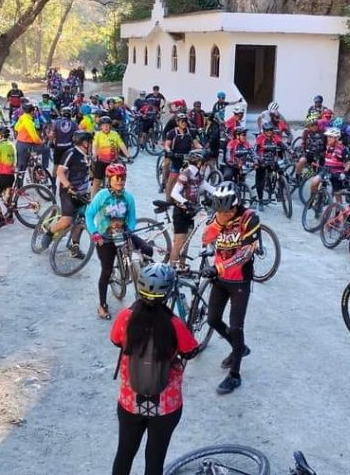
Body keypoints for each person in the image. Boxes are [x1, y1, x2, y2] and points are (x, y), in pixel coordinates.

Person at [110, 262, 198, 475]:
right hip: (165, 405)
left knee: (124, 453)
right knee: (155, 459)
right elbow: (190, 351)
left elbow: (115, 340)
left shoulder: (125, 317)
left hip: (130, 401)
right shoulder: (175, 324)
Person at [201, 181, 260, 394]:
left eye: (227, 211)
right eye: (220, 211)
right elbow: (205, 238)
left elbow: (246, 253)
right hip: (220, 280)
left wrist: (219, 267)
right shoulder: (218, 216)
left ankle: (235, 375)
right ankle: (239, 348)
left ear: (236, 205)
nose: (224, 214)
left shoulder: (250, 218)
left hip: (240, 281)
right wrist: (218, 222)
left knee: (236, 327)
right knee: (212, 319)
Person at [86, 163, 152, 320]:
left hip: (123, 234)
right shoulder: (102, 196)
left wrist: (129, 229)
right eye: (117, 178)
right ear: (109, 179)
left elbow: (132, 218)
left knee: (148, 250)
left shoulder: (128, 197)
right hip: (105, 238)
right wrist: (95, 233)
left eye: (123, 178)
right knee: (106, 271)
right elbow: (89, 215)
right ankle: (102, 305)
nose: (121, 181)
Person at [39, 131, 93, 253]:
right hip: (68, 192)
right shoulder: (71, 153)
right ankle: (49, 232)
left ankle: (75, 246)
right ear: (85, 143)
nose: (92, 144)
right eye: (90, 142)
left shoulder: (87, 155)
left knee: (80, 220)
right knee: (67, 221)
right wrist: (69, 186)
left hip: (82, 194)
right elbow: (60, 172)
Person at [168, 149, 214, 269]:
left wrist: (221, 192)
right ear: (198, 162)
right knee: (179, 243)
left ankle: (182, 266)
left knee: (186, 242)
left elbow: (206, 186)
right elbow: (174, 193)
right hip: (181, 212)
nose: (206, 166)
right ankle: (171, 269)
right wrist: (185, 202)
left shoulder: (198, 175)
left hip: (191, 212)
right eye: (204, 163)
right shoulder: (186, 174)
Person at [162, 112, 201, 200]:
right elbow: (167, 144)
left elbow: (196, 144)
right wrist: (169, 150)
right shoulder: (172, 133)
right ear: (177, 122)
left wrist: (202, 149)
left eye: (185, 121)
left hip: (187, 158)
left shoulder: (190, 132)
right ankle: (167, 200)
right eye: (182, 121)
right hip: (176, 158)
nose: (184, 123)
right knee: (171, 180)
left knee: (189, 178)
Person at [307, 127, 350, 205]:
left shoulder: (342, 149)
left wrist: (344, 172)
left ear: (336, 138)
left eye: (330, 137)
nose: (328, 138)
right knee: (314, 182)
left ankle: (339, 210)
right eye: (327, 136)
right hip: (326, 169)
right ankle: (312, 199)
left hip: (336, 172)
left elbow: (348, 162)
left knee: (337, 193)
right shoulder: (328, 145)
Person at [92, 116, 129, 197]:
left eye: (107, 125)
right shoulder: (98, 134)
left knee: (114, 181)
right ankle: (93, 199)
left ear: (110, 126)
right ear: (100, 126)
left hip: (112, 162)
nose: (106, 127)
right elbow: (94, 145)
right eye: (104, 125)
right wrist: (94, 154)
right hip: (101, 161)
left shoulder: (115, 134)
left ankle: (114, 198)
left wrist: (128, 155)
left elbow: (121, 144)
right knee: (97, 181)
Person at [253, 123, 286, 210]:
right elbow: (255, 150)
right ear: (264, 131)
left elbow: (283, 145)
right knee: (260, 180)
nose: (269, 132)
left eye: (271, 130)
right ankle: (260, 200)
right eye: (267, 130)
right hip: (262, 161)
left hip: (273, 160)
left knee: (282, 172)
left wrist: (291, 151)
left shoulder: (275, 137)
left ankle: (280, 193)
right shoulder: (260, 138)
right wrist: (257, 159)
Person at [0, 126, 17, 229]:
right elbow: (5, 159)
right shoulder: (11, 144)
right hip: (11, 175)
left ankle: (1, 220)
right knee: (7, 197)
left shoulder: (0, 145)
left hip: (4, 176)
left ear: (0, 136)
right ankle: (10, 216)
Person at [15, 103, 47, 172]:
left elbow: (16, 128)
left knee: (22, 169)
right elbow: (35, 138)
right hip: (27, 146)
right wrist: (42, 142)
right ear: (32, 112)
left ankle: (20, 178)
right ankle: (44, 167)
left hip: (19, 145)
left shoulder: (22, 118)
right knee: (46, 149)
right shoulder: (29, 122)